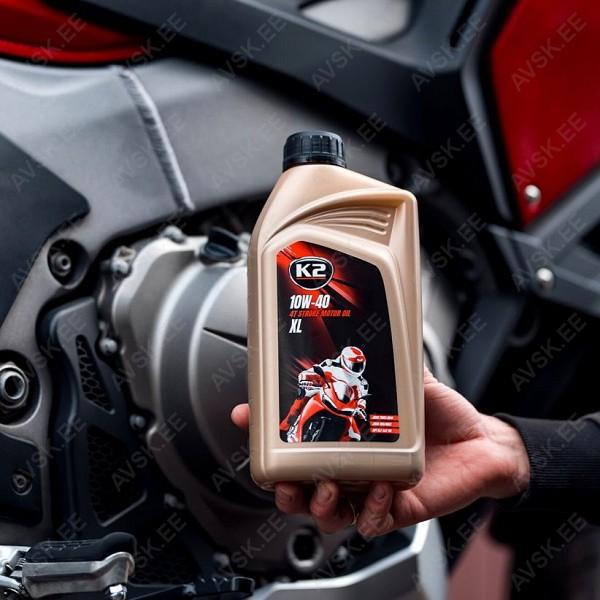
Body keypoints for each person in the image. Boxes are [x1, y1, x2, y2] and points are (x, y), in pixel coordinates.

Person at [231, 367, 600, 536]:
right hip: (322, 402)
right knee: (298, 409)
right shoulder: (330, 367)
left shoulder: (360, 383)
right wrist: (499, 450)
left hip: (346, 414)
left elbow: (363, 401)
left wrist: (504, 452)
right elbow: (310, 374)